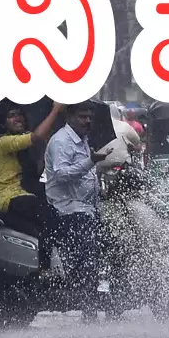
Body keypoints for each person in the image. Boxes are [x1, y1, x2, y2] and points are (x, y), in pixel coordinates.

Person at [44, 101, 121, 304]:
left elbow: (85, 174)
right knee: (87, 258)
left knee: (111, 246)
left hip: (87, 209)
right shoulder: (61, 141)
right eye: (82, 117)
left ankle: (102, 296)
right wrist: (91, 161)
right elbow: (61, 174)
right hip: (68, 210)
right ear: (69, 117)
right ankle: (87, 302)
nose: (87, 121)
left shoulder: (83, 139)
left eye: (89, 117)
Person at [0, 103, 60, 237]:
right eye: (11, 116)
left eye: (19, 114)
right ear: (3, 123)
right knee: (48, 216)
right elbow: (36, 137)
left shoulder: (22, 149)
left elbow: (36, 172)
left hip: (25, 193)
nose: (17, 118)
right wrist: (56, 109)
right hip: (10, 198)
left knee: (58, 199)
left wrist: (45, 146)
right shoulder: (2, 143)